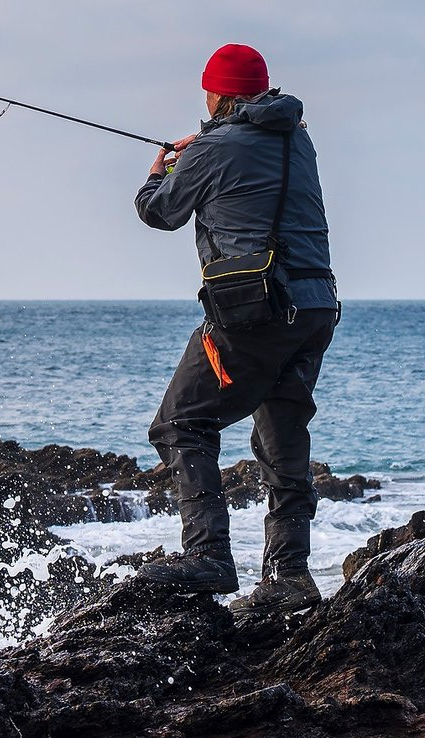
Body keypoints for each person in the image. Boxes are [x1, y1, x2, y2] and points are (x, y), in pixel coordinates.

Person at [128, 43, 339, 617]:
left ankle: (209, 557)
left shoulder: (214, 148)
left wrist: (161, 171)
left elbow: (160, 212)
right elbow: (249, 157)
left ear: (216, 94)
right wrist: (208, 145)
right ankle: (290, 573)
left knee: (181, 424)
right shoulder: (299, 139)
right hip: (315, 306)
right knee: (282, 433)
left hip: (254, 310)